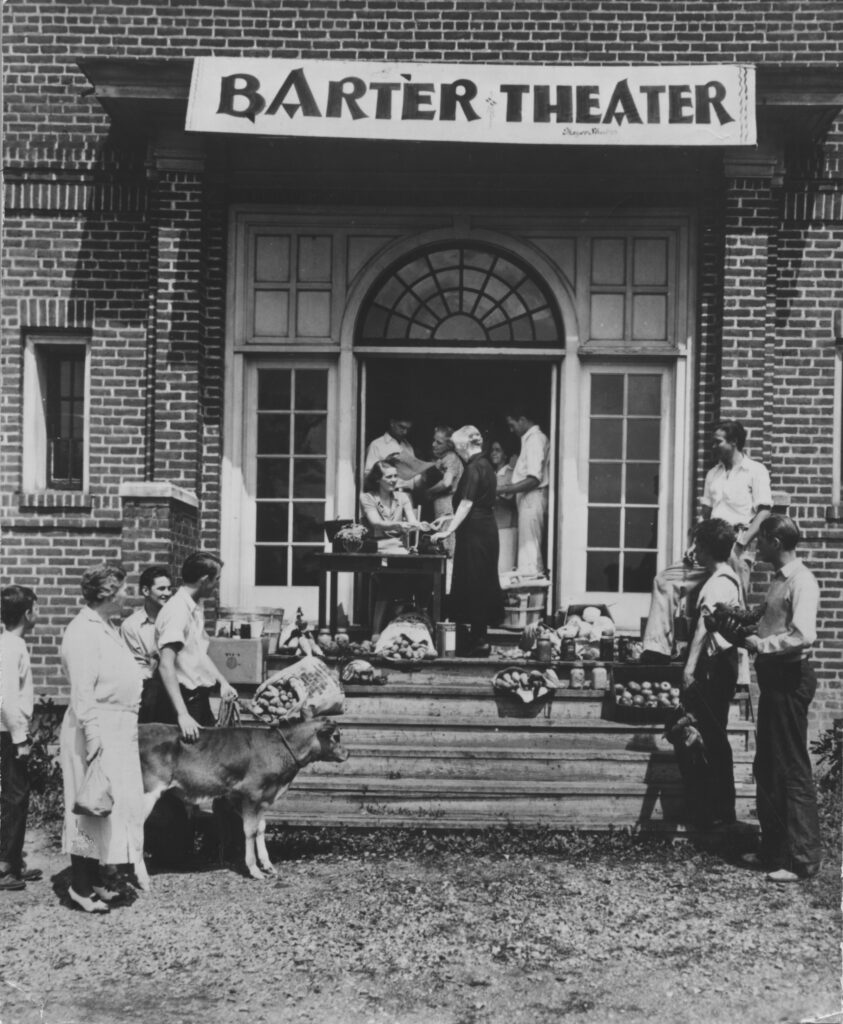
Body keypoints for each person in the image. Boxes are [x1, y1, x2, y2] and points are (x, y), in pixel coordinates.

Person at [641, 420, 772, 663]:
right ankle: (656, 649)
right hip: (710, 542)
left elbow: (764, 511)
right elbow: (705, 515)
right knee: (664, 581)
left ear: (733, 442)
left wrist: (742, 542)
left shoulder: (756, 470)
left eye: (718, 441)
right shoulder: (713, 474)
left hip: (737, 542)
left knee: (733, 609)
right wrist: (695, 545)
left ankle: (736, 673)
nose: (713, 445)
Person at [59, 563, 148, 912]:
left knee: (108, 810)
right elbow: (83, 694)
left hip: (118, 729)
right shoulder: (82, 631)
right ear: (105, 593)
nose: (127, 594)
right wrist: (94, 740)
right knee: (88, 810)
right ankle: (80, 887)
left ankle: (96, 879)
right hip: (93, 730)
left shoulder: (107, 628)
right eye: (122, 588)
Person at [742, 515, 822, 883]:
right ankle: (773, 849)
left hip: (791, 679)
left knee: (790, 768)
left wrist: (762, 644)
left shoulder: (802, 581)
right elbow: (773, 621)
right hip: (774, 678)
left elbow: (803, 635)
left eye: (761, 541)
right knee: (768, 766)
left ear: (776, 541)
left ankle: (801, 860)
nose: (757, 546)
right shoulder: (779, 580)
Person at [678, 519, 743, 829]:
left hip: (714, 667)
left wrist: (689, 669)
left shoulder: (718, 583)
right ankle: (716, 809)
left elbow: (704, 628)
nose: (694, 551)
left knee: (711, 737)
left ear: (705, 548)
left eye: (697, 546)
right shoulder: (728, 577)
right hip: (723, 664)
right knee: (712, 734)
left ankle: (717, 811)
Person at [431, 425, 504, 657]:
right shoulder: (486, 466)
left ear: (463, 446)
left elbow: (467, 504)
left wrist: (447, 531)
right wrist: (446, 519)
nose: (456, 450)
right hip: (484, 529)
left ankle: (479, 641)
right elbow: (477, 505)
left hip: (476, 533)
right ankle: (477, 638)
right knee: (479, 581)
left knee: (475, 582)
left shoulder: (473, 468)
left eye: (455, 445)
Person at [154, 551, 237, 742]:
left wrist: (222, 682)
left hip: (198, 700)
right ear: (205, 580)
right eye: (217, 580)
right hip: (182, 703)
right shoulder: (177, 611)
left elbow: (199, 654)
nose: (217, 586)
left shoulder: (194, 608)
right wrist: (183, 715)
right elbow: (166, 665)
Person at [0, 585, 41, 892]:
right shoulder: (11, 647)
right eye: (36, 609)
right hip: (8, 733)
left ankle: (12, 861)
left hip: (9, 731)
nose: (37, 614)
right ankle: (5, 867)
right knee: (16, 798)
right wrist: (20, 738)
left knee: (16, 797)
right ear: (27, 614)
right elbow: (7, 699)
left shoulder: (12, 644)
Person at [360, 461, 429, 632]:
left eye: (395, 476)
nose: (393, 480)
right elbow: (375, 523)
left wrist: (421, 525)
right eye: (388, 476)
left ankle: (415, 624)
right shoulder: (367, 497)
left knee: (423, 575)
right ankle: (377, 630)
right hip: (377, 549)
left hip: (399, 550)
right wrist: (399, 525)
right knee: (388, 580)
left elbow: (412, 521)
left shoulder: (402, 497)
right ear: (378, 479)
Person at [497, 406, 549, 576]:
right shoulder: (529, 440)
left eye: (512, 424)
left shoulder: (535, 440)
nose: (511, 430)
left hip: (531, 499)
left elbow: (534, 478)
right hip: (525, 499)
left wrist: (504, 489)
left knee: (529, 553)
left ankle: (532, 596)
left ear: (522, 420)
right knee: (526, 552)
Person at [120, 565, 173, 724]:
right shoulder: (131, 626)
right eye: (161, 588)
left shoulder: (177, 620)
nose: (167, 593)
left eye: (169, 589)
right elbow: (136, 670)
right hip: (149, 694)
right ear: (145, 591)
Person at [423, 426, 464, 557]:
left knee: (447, 545)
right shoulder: (443, 458)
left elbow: (446, 482)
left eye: (439, 442)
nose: (433, 444)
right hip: (442, 505)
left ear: (449, 445)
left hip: (447, 505)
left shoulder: (451, 458)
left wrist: (429, 492)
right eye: (434, 440)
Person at [489, 439, 517, 573]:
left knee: (504, 567)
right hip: (494, 526)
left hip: (507, 525)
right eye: (492, 450)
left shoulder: (511, 474)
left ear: (505, 455)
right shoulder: (492, 474)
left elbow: (513, 500)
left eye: (498, 450)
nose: (493, 453)